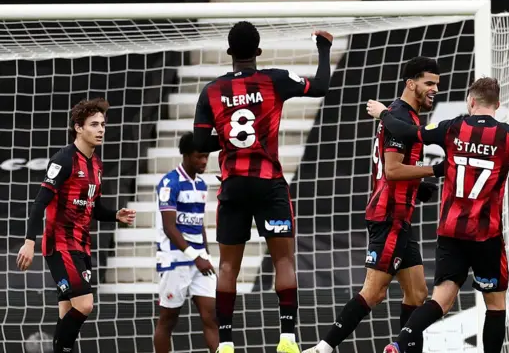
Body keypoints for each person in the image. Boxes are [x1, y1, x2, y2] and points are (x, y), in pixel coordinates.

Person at [366, 77, 509, 353]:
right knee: (495, 303)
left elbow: (405, 131)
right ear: (498, 105)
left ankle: (400, 343)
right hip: (485, 235)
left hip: (451, 231)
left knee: (441, 301)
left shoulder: (452, 128)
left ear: (471, 101)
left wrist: (383, 113)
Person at [192, 20, 333, 353]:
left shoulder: (210, 91)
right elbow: (322, 85)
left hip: (233, 186)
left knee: (228, 266)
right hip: (269, 184)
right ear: (257, 51)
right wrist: (324, 47)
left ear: (229, 53)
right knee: (283, 262)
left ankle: (225, 343)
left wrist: (227, 139)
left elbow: (199, 141)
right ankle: (287, 339)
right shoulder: (275, 79)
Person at [303, 57, 444, 353]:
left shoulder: (401, 116)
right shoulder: (400, 118)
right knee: (374, 292)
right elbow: (392, 170)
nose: (434, 89)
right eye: (429, 83)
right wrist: (434, 170)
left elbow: (391, 171)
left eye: (437, 84)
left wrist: (417, 188)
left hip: (400, 215)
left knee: (417, 294)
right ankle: (323, 348)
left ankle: (403, 350)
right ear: (411, 83)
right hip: (389, 216)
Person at [16, 98, 136, 353]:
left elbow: (94, 208)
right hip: (60, 244)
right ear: (78, 128)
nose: (101, 129)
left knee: (68, 312)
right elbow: (39, 203)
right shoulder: (64, 159)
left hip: (83, 245)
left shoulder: (96, 165)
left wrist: (116, 215)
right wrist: (29, 242)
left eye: (103, 124)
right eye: (94, 124)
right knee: (85, 305)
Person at [153, 132, 219, 353]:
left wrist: (206, 254)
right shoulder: (169, 183)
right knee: (168, 319)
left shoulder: (201, 185)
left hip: (199, 259)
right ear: (187, 155)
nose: (203, 162)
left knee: (211, 315)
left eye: (206, 157)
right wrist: (196, 256)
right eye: (199, 156)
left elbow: (198, 222)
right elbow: (170, 228)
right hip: (174, 260)